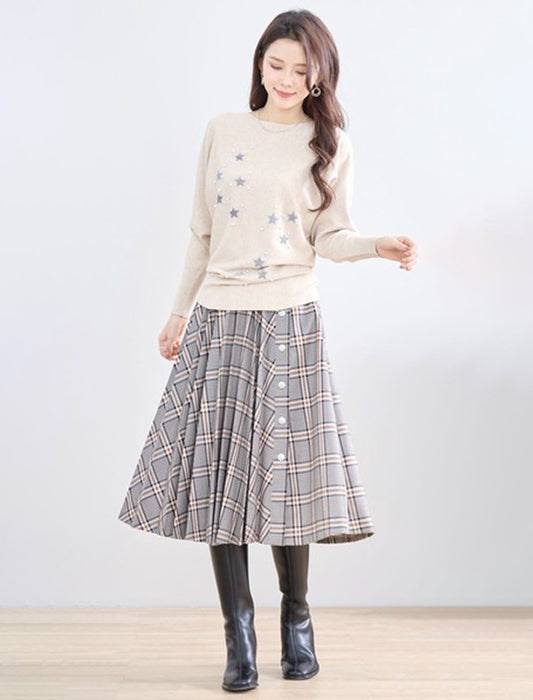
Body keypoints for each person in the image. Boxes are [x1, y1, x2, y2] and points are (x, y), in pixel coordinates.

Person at [117, 8, 418, 693]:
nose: (285, 78)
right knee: (222, 480)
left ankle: (297, 620)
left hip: (289, 318)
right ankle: (240, 636)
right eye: (275, 64)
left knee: (286, 482)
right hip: (218, 317)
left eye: (299, 69)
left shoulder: (329, 143)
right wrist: (178, 312)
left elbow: (330, 237)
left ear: (319, 76)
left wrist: (376, 245)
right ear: (259, 64)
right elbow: (201, 231)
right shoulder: (223, 131)